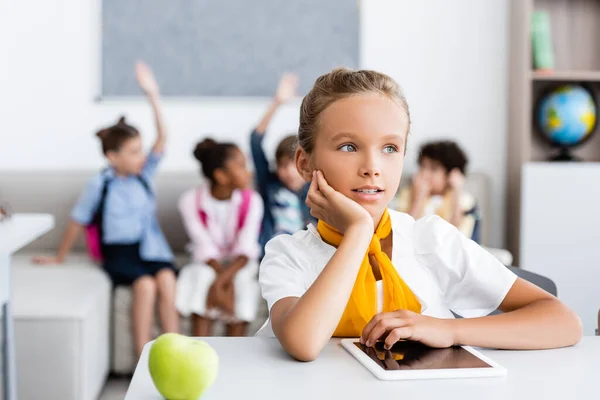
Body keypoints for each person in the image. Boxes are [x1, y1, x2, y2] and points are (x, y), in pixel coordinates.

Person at [257, 67, 582, 361]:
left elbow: (562, 321)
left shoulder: (430, 239)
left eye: (390, 148)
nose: (372, 168)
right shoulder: (288, 255)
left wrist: (449, 330)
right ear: (304, 163)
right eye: (348, 147)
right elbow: (303, 344)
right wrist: (358, 232)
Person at [33, 63, 179, 357]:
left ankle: (176, 350)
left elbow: (163, 138)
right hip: (120, 252)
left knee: (166, 279)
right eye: (134, 152)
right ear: (113, 156)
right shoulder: (100, 184)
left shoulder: (144, 176)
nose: (141, 156)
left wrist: (152, 94)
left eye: (141, 150)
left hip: (151, 249)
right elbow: (78, 220)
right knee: (145, 285)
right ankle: (144, 356)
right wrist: (58, 257)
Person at [176, 139, 264, 337]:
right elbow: (203, 246)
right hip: (208, 263)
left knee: (242, 282)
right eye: (241, 166)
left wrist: (222, 282)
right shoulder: (190, 201)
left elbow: (246, 248)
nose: (248, 172)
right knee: (200, 278)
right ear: (221, 176)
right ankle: (198, 354)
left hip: (239, 264)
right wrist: (219, 281)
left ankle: (234, 360)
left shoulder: (253, 201)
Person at [249, 73, 313, 255]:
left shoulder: (317, 188)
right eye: (283, 166)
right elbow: (255, 141)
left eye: (294, 165)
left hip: (310, 257)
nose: (288, 172)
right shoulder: (270, 185)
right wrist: (277, 103)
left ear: (306, 165)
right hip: (275, 257)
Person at [392, 140, 480, 242]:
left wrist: (456, 192)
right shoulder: (408, 193)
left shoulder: (464, 200)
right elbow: (403, 233)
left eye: (433, 169)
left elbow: (457, 237)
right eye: (422, 167)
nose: (424, 174)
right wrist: (418, 199)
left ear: (450, 174)